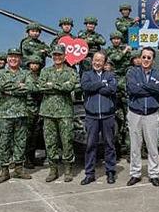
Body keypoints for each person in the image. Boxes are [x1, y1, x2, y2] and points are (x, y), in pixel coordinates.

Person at [38, 45, 79, 182]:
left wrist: (53, 85)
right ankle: (53, 169)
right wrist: (61, 86)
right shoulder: (45, 71)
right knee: (50, 142)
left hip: (65, 112)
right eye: (55, 55)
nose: (57, 57)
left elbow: (71, 86)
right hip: (48, 112)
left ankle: (68, 169)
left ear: (64, 56)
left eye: (60, 55)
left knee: (67, 141)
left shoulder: (71, 71)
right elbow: (41, 87)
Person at [0, 48, 33, 183]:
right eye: (11, 57)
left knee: (20, 142)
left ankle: (18, 169)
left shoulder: (26, 73)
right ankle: (4, 170)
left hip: (21, 113)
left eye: (16, 57)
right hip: (5, 114)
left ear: (20, 59)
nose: (13, 59)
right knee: (4, 142)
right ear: (7, 59)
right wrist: (18, 87)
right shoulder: (0, 73)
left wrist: (9, 89)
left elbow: (30, 88)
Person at [125, 47, 159, 187]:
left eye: (149, 57)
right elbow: (132, 89)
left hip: (152, 114)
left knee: (153, 146)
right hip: (135, 113)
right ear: (140, 58)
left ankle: (154, 174)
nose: (146, 60)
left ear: (153, 60)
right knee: (135, 146)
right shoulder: (132, 73)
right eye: (144, 57)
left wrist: (143, 86)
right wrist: (150, 88)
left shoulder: (158, 74)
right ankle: (135, 174)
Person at [80, 51, 118, 185]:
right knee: (90, 145)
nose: (97, 63)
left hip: (108, 115)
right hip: (92, 116)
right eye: (95, 60)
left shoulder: (110, 75)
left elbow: (112, 89)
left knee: (109, 145)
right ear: (92, 61)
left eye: (100, 60)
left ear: (104, 62)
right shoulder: (86, 75)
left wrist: (97, 86)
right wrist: (102, 84)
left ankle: (110, 172)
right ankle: (89, 174)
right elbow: (86, 87)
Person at [24, 56, 45, 169]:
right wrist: (42, 87)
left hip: (39, 108)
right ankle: (26, 158)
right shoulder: (26, 75)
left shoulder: (41, 76)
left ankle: (32, 157)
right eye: (32, 64)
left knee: (36, 135)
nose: (34, 66)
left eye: (37, 64)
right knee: (27, 135)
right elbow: (31, 88)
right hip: (29, 108)